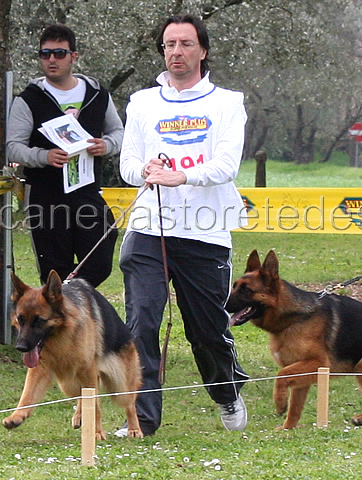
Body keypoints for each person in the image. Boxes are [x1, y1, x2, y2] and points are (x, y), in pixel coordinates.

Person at [116, 14, 249, 436]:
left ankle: (227, 394)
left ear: (202, 50)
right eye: (169, 44)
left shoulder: (227, 103)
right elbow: (127, 165)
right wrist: (147, 168)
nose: (176, 51)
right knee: (142, 323)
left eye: (186, 44)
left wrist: (183, 175)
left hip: (205, 230)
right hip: (148, 226)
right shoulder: (142, 103)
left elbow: (227, 165)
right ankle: (142, 421)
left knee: (206, 331)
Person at [7, 24, 123, 288]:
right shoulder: (28, 99)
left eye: (59, 53)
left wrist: (105, 145)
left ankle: (72, 297)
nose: (51, 60)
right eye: (45, 54)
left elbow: (118, 132)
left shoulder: (97, 94)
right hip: (45, 195)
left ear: (74, 56)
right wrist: (44, 156)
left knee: (100, 259)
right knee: (54, 270)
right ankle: (60, 316)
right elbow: (13, 147)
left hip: (87, 190)